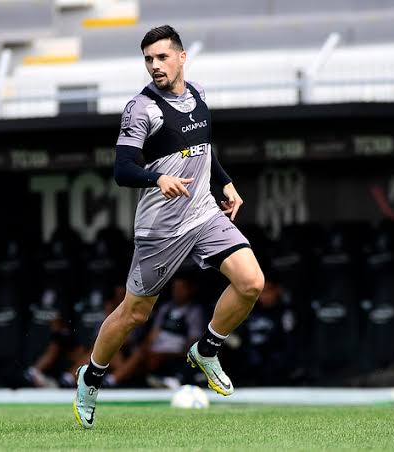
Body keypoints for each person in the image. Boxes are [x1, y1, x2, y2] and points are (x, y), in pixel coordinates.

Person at [73, 25, 265, 429]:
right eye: (148, 59)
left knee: (251, 283)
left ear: (181, 57)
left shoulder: (198, 95)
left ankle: (207, 350)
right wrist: (156, 178)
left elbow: (204, 150)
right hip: (161, 229)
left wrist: (224, 181)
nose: (154, 66)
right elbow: (123, 169)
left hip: (203, 214)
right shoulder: (141, 108)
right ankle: (91, 377)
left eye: (162, 57)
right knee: (134, 314)